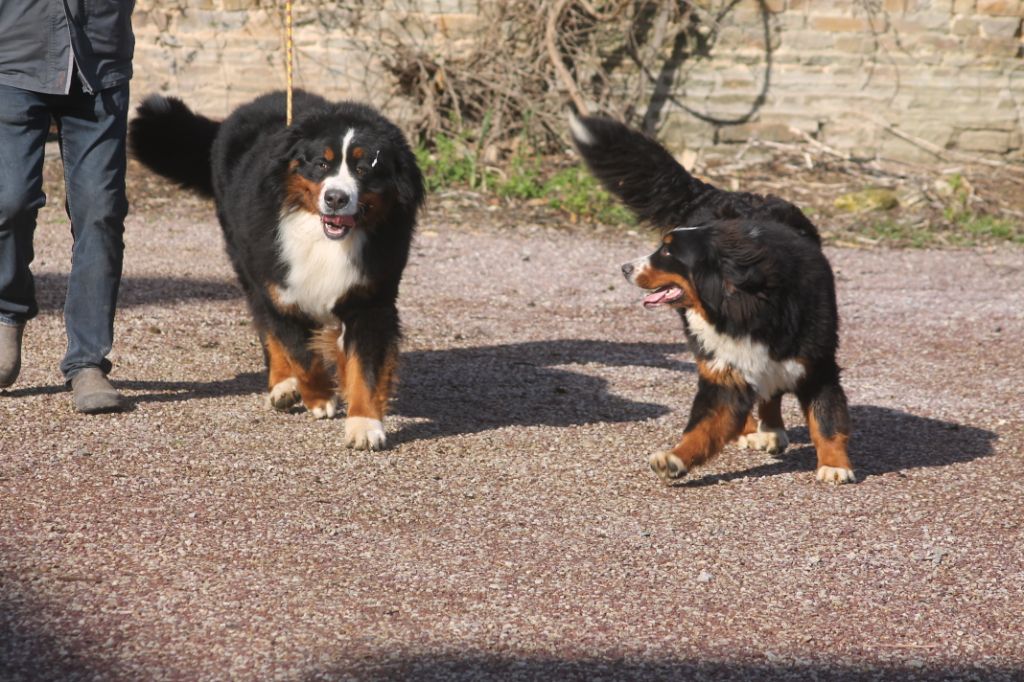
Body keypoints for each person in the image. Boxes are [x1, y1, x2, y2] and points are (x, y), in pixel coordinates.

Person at [0, 0, 136, 413]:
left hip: (100, 58)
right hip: (13, 55)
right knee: (10, 201)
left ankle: (88, 362)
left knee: (101, 212)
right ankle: (7, 315)